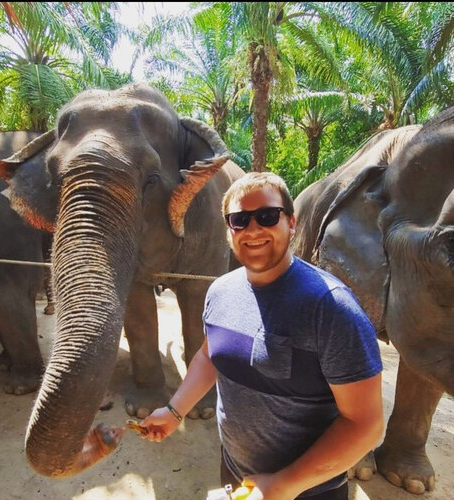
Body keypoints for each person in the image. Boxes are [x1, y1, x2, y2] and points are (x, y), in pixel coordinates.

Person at [140, 172, 384, 500]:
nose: (253, 229)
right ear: (229, 231)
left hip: (307, 490)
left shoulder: (331, 307)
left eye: (267, 216)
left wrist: (283, 485)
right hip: (236, 474)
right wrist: (174, 411)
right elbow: (210, 356)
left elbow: (365, 425)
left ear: (291, 223)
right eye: (240, 220)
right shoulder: (220, 292)